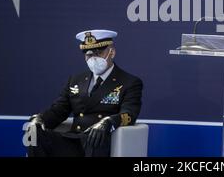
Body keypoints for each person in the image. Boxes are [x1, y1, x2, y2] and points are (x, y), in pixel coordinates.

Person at [26, 29, 143, 157]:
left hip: (98, 142)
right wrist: (39, 119)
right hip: (74, 140)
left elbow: (129, 114)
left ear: (112, 52)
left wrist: (107, 122)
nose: (93, 58)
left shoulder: (129, 82)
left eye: (98, 52)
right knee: (35, 134)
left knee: (96, 139)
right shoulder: (76, 80)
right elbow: (58, 111)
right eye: (88, 54)